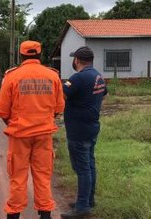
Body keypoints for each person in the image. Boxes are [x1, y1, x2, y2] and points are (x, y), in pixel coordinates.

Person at [0, 40, 65, 219]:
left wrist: (13, 123)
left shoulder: (12, 76)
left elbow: (2, 110)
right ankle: (45, 214)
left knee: (17, 177)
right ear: (39, 55)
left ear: (21, 56)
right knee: (43, 176)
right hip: (44, 135)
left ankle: (14, 214)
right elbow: (59, 107)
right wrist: (46, 122)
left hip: (19, 135)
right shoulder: (52, 76)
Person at [60, 46, 107, 219]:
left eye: (74, 58)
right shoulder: (98, 76)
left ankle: (82, 207)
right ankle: (88, 200)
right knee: (89, 164)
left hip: (78, 129)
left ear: (77, 60)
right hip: (92, 126)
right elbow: (104, 95)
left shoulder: (78, 78)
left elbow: (60, 96)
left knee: (82, 168)